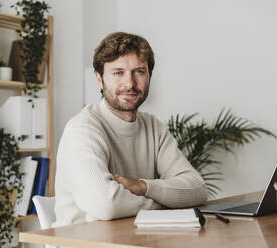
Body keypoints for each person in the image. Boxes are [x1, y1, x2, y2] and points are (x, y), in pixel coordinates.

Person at [52, 32, 208, 227]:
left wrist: (142, 186)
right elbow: (106, 205)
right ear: (99, 79)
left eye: (139, 72)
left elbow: (198, 188)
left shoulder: (153, 126)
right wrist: (167, 203)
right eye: (118, 72)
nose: (130, 83)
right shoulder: (82, 129)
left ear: (150, 76)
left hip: (136, 238)